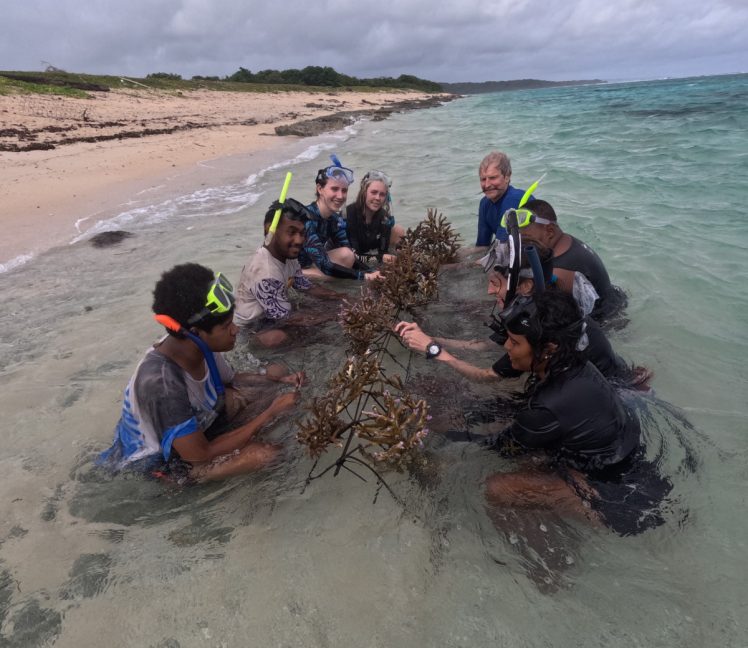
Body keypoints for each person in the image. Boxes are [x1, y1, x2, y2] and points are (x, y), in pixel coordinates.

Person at [484, 290, 671, 535]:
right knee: (532, 461)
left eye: (516, 342)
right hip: (632, 474)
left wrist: (448, 435)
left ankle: (546, 567)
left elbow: (501, 447)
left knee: (497, 488)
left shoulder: (549, 406)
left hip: (620, 504)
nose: (507, 347)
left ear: (549, 349)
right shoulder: (578, 366)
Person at [98, 263, 303, 481]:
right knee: (264, 455)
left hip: (198, 433)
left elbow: (232, 379)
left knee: (270, 388)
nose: (236, 329)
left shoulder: (199, 346)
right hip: (162, 467)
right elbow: (199, 456)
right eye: (226, 326)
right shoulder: (162, 384)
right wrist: (269, 414)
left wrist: (277, 378)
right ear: (195, 333)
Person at [395, 244, 649, 388]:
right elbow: (482, 345)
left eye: (496, 282)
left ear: (525, 286)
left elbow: (487, 376)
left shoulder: (535, 323)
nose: (489, 290)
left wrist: (435, 350)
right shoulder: (532, 307)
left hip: (617, 389)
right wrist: (430, 337)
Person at [235, 198, 343, 347]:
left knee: (321, 309)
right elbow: (286, 318)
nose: (299, 240)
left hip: (272, 314)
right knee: (297, 335)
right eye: (291, 232)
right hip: (251, 330)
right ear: (269, 229)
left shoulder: (288, 254)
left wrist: (341, 298)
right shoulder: (264, 271)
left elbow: (306, 286)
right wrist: (336, 314)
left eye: (302, 233)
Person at [517, 198, 627, 321]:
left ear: (550, 231)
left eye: (526, 238)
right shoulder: (565, 242)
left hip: (606, 321)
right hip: (613, 298)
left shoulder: (561, 271)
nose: (522, 244)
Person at [299, 163, 380, 281]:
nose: (340, 196)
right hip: (288, 269)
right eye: (334, 189)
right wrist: (365, 277)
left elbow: (350, 255)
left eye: (344, 190)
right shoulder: (306, 219)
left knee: (347, 255)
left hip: (309, 263)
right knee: (334, 275)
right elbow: (325, 265)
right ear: (320, 189)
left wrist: (373, 272)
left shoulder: (334, 219)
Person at [344, 170, 405, 265]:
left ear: (386, 197)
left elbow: (383, 251)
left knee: (398, 230)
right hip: (349, 256)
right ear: (364, 192)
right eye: (374, 192)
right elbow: (353, 256)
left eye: (382, 194)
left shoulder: (385, 217)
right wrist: (381, 258)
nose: (378, 198)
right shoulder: (349, 214)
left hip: (372, 252)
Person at [475, 151, 532, 247]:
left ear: (507, 177)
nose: (487, 185)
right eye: (483, 179)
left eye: (493, 178)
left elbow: (502, 247)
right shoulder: (484, 204)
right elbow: (482, 246)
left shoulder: (514, 199)